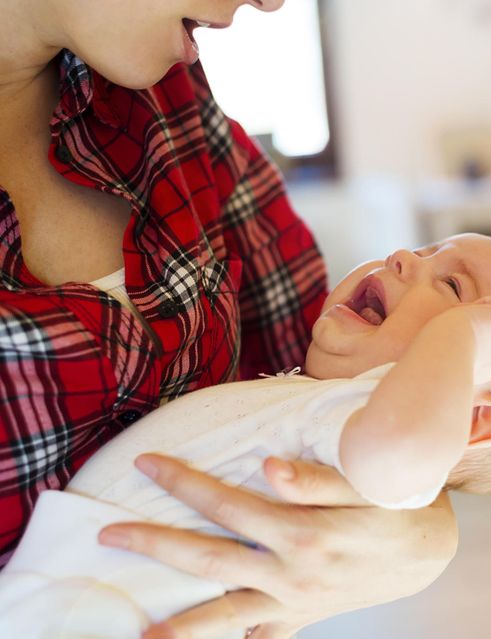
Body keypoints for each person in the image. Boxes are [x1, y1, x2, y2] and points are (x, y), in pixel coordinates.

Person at [0, 1, 459, 636]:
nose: (273, 2)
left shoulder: (168, 101)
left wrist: (424, 534)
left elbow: (330, 372)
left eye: (458, 284)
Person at [0, 233, 491, 637]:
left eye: (455, 289)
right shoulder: (315, 402)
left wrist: (459, 339)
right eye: (422, 250)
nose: (401, 259)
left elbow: (399, 455)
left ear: (470, 421)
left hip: (102, 610)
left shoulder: (362, 414)